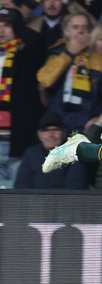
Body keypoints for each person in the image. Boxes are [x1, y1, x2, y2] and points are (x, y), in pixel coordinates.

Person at [37, 12, 102, 133]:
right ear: (66, 32)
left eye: (84, 27)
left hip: (87, 126)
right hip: (57, 126)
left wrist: (100, 119)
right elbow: (44, 80)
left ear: (90, 32)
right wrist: (70, 53)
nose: (80, 31)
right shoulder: (56, 54)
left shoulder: (101, 62)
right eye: (75, 27)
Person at [0, 8, 47, 182]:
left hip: (17, 142)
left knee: (16, 200)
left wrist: (17, 24)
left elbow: (38, 42)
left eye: (7, 25)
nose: (1, 30)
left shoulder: (26, 55)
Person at [14, 112, 87, 189]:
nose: (51, 134)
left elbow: (74, 190)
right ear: (39, 135)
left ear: (64, 133)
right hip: (34, 200)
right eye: (46, 130)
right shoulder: (30, 154)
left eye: (56, 129)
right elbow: (21, 188)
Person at [16, 0, 96, 48]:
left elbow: (94, 27)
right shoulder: (32, 22)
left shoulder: (71, 23)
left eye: (57, 0)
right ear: (41, 3)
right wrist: (32, 2)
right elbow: (14, 21)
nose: (51, 4)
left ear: (63, 3)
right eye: (47, 0)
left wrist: (69, 3)